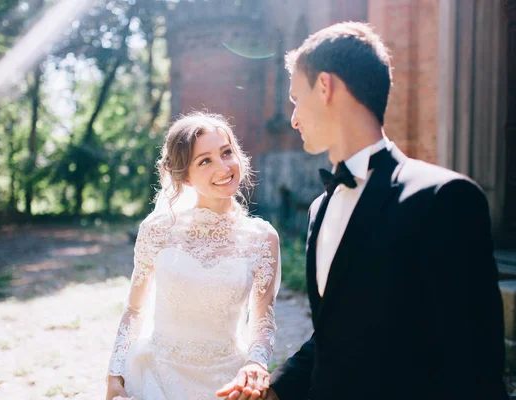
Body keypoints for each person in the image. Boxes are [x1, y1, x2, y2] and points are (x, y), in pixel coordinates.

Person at [232, 21, 507, 400]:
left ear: (325, 87)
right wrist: (273, 392)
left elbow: (475, 365)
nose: (293, 118)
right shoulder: (319, 209)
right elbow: (333, 337)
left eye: (296, 98)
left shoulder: (445, 199)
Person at [105, 112, 281, 400]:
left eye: (227, 153)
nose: (224, 167)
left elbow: (263, 322)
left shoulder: (262, 238)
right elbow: (134, 311)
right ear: (185, 175)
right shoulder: (157, 230)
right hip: (155, 377)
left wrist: (255, 362)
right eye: (205, 160)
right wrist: (115, 377)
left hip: (226, 384)